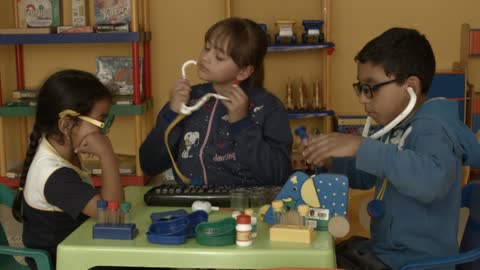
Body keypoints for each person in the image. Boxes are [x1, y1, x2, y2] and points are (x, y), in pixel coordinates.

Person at [300, 27, 480, 270]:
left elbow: (432, 181)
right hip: (387, 254)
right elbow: (368, 175)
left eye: (371, 87)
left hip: (416, 264)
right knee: (319, 256)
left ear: (411, 88)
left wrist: (362, 147)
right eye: (361, 88)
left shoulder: (432, 129)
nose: (363, 98)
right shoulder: (395, 127)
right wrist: (331, 160)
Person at [140, 17, 292, 186]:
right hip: (191, 208)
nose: (205, 58)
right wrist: (172, 113)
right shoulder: (189, 99)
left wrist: (243, 124)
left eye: (219, 56)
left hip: (245, 209)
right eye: (206, 48)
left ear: (243, 71)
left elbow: (278, 176)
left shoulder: (267, 107)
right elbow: (149, 164)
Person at [11, 69, 124, 270]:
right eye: (101, 121)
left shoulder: (59, 151)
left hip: (77, 252)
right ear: (66, 124)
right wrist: (107, 154)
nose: (105, 130)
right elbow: (111, 213)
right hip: (65, 264)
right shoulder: (55, 175)